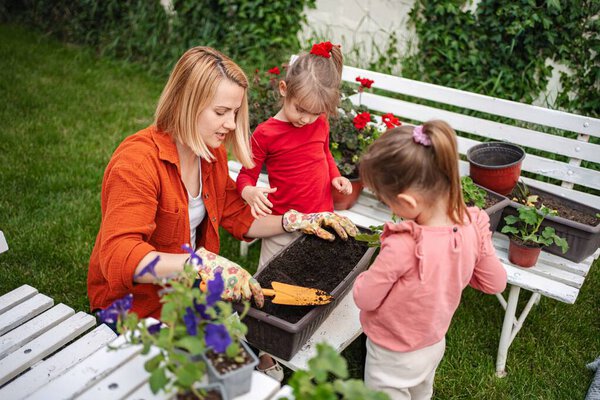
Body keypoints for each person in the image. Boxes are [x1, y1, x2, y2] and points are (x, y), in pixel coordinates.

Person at [87, 46, 358, 381]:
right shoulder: (137, 162)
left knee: (239, 366)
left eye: (235, 112)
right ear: (187, 102)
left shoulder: (208, 156)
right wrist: (197, 265)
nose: (231, 124)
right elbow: (118, 256)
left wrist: (295, 220)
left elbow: (238, 216)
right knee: (200, 379)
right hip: (134, 307)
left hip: (187, 296)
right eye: (221, 112)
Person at [353, 120, 507, 399]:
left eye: (387, 201)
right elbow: (495, 282)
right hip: (433, 342)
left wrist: (361, 278)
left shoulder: (404, 245)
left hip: (392, 350)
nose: (389, 208)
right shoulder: (474, 223)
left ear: (408, 203)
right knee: (421, 391)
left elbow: (365, 299)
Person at [236, 41, 353, 269]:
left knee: (310, 277)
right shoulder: (266, 133)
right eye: (300, 109)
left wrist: (335, 176)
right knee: (273, 278)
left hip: (320, 219)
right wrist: (248, 191)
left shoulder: (320, 122)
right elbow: (245, 176)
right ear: (284, 89)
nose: (306, 119)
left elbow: (325, 153)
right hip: (282, 226)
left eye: (315, 113)